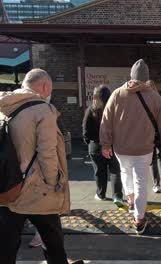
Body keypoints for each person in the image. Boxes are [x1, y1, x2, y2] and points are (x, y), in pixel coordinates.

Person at [0, 69, 81, 264]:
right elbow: (47, 152)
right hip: (37, 188)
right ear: (45, 86)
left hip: (8, 187)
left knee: (7, 243)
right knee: (52, 238)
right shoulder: (43, 111)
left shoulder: (4, 108)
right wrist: (53, 181)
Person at [100, 59, 161, 235]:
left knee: (125, 173)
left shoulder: (117, 94)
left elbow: (106, 120)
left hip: (121, 148)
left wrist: (105, 143)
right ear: (147, 78)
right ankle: (139, 218)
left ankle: (130, 199)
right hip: (144, 149)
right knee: (141, 181)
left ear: (131, 76)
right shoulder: (156, 98)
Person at [83, 85, 124, 207]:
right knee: (115, 170)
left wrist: (89, 142)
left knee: (99, 171)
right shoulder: (115, 109)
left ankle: (101, 194)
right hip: (113, 144)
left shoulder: (90, 110)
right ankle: (117, 195)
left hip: (95, 145)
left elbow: (85, 130)